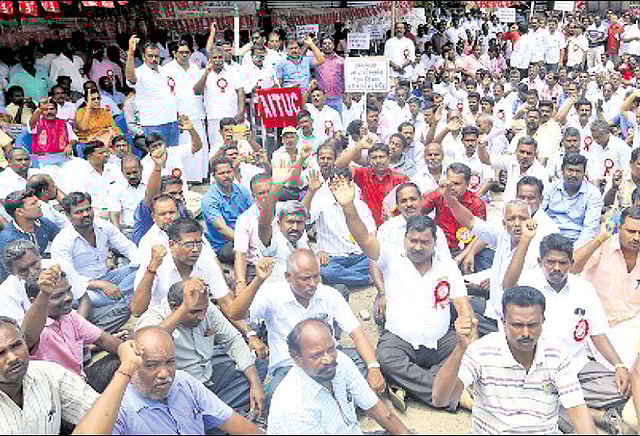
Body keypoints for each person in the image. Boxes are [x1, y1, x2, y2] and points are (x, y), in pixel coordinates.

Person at [331, 174, 474, 411]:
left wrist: (466, 323)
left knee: (467, 349)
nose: (417, 247)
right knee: (386, 359)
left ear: (434, 242)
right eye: (413, 240)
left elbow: (462, 303)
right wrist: (348, 207)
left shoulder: (446, 265)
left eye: (424, 242)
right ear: (405, 238)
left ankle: (408, 384)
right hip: (400, 340)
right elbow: (364, 238)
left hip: (440, 341)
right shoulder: (391, 257)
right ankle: (452, 395)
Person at [502, 233, 630, 433]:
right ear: (540, 261)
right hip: (536, 369)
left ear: (571, 263)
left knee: (624, 389)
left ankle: (563, 403)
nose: (556, 268)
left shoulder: (584, 289)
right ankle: (594, 415)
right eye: (550, 262)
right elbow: (507, 288)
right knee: (525, 397)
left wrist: (619, 365)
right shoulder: (527, 285)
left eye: (562, 263)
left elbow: (597, 333)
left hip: (577, 366)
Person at [431, 286, 598, 434]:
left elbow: (578, 411)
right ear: (504, 323)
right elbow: (441, 399)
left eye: (532, 325)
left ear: (543, 322)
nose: (525, 333)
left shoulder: (557, 354)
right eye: (517, 325)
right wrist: (460, 349)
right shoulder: (481, 351)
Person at [226, 248, 386, 402]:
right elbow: (235, 314)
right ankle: (337, 399)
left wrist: (373, 367)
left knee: (364, 361)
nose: (313, 283)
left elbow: (356, 333)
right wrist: (258, 280)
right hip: (290, 367)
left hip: (328, 361)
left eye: (316, 276)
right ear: (288, 277)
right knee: (276, 397)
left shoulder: (330, 295)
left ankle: (330, 401)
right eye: (306, 278)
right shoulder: (272, 294)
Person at [71, 328, 262, 434]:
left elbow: (232, 422)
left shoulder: (184, 382)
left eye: (170, 362)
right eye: (151, 365)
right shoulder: (119, 409)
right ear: (132, 364)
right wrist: (124, 371)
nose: (164, 373)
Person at [136, 276, 268, 415]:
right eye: (194, 312)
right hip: (177, 389)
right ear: (174, 307)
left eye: (204, 310)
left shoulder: (205, 308)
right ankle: (215, 414)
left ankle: (210, 412)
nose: (201, 316)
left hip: (207, 376)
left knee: (257, 368)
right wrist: (184, 308)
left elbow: (232, 340)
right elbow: (148, 340)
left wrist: (256, 384)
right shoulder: (154, 317)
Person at [268, 318, 410, 435]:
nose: (328, 359)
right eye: (317, 355)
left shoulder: (340, 361)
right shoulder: (293, 406)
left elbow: (375, 408)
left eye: (331, 349)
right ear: (297, 358)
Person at [21, 265, 123, 386]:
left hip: (81, 381)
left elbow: (102, 339)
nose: (68, 297)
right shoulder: (34, 328)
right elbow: (27, 336)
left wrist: (131, 352)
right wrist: (44, 293)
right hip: (58, 392)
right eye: (58, 295)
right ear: (34, 301)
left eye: (68, 290)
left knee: (126, 357)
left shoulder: (69, 316)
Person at [0, 316, 100, 434]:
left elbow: (101, 412)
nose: (12, 358)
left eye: (16, 345)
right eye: (0, 353)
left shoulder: (50, 374)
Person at [372, 182, 450, 326]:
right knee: (381, 316)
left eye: (413, 199)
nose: (409, 204)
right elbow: (374, 264)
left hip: (428, 287)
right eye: (403, 201)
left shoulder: (435, 230)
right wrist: (383, 293)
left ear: (421, 200)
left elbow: (445, 264)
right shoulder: (386, 229)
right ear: (397, 205)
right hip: (394, 288)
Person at [572, 207, 640, 370]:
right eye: (631, 231)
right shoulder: (604, 245)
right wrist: (600, 238)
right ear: (619, 228)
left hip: (632, 325)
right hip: (597, 323)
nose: (636, 238)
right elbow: (571, 267)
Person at [51, 191, 138, 309]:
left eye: (88, 209)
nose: (86, 214)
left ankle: (118, 298)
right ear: (67, 215)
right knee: (81, 299)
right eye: (79, 212)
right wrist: (101, 285)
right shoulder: (62, 241)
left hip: (108, 277)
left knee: (142, 270)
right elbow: (68, 277)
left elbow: (128, 247)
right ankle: (123, 298)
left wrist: (140, 263)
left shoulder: (103, 226)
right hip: (83, 288)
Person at [309, 166, 376, 288]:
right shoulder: (320, 203)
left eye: (343, 184)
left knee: (379, 261)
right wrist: (311, 192)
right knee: (325, 271)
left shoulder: (360, 205)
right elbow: (305, 217)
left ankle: (344, 278)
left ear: (351, 184)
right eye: (336, 184)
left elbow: (371, 232)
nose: (339, 188)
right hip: (332, 256)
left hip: (360, 255)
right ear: (329, 186)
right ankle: (367, 278)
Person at [162, 39, 209, 183]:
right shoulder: (167, 69)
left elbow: (198, 91)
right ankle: (185, 179)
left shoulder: (195, 68)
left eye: (187, 52)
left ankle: (199, 177)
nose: (184, 55)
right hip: (179, 115)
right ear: (174, 53)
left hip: (197, 112)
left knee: (199, 146)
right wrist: (175, 114)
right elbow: (166, 95)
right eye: (181, 52)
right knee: (184, 149)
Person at [335, 139, 408, 227]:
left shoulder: (401, 179)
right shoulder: (362, 174)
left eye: (381, 157)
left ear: (389, 158)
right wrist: (359, 146)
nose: (378, 161)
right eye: (374, 158)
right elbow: (339, 166)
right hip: (368, 227)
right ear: (369, 160)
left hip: (394, 227)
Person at [422, 162, 488, 258]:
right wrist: (437, 193)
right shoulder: (439, 194)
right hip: (440, 247)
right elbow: (418, 211)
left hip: (467, 250)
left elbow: (481, 236)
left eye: (457, 184)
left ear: (467, 184)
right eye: (449, 183)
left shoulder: (477, 204)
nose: (452, 187)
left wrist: (463, 257)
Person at [125, 36, 180, 146]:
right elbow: (130, 78)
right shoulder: (139, 72)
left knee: (173, 154)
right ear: (143, 57)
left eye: (156, 56)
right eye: (150, 56)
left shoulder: (164, 71)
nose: (153, 59)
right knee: (157, 154)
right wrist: (130, 54)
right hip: (153, 123)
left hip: (172, 122)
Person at [543, 153, 603, 249]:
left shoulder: (593, 194)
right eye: (570, 170)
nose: (574, 175)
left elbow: (590, 231)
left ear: (584, 173)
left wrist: (572, 252)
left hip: (576, 241)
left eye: (578, 171)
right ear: (562, 171)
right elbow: (539, 214)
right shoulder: (550, 188)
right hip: (548, 239)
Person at [202, 157, 254, 264]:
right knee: (251, 252)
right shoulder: (209, 199)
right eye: (221, 173)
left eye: (228, 172)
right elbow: (222, 229)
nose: (226, 176)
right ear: (214, 176)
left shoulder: (242, 190)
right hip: (225, 244)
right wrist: (248, 242)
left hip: (247, 235)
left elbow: (254, 214)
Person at [0, 190, 60, 282]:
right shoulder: (8, 240)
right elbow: (11, 277)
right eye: (33, 204)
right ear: (20, 212)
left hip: (44, 270)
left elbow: (63, 240)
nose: (39, 205)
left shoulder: (42, 222)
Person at [194, 47, 245, 147]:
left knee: (238, 145)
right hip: (214, 118)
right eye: (214, 58)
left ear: (224, 57)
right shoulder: (202, 73)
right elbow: (197, 91)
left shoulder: (234, 71)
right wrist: (206, 74)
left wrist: (241, 112)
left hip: (233, 117)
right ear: (209, 59)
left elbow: (240, 91)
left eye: (220, 57)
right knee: (217, 147)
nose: (217, 60)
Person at [477, 135, 548, 201]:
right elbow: (486, 160)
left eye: (529, 153)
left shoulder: (541, 173)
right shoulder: (511, 160)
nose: (525, 156)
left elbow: (541, 201)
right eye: (522, 152)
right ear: (516, 152)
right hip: (506, 206)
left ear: (536, 154)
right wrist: (481, 147)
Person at [108, 154, 145, 238]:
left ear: (141, 168)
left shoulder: (150, 184)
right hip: (127, 230)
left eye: (135, 172)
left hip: (148, 228)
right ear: (122, 172)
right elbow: (114, 214)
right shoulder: (115, 188)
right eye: (128, 174)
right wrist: (119, 236)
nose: (132, 176)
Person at [314, 37, 345, 115]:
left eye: (329, 43)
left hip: (337, 98)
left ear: (333, 45)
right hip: (322, 99)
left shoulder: (341, 61)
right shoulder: (317, 60)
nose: (327, 45)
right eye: (324, 43)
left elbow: (344, 78)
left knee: (337, 120)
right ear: (321, 46)